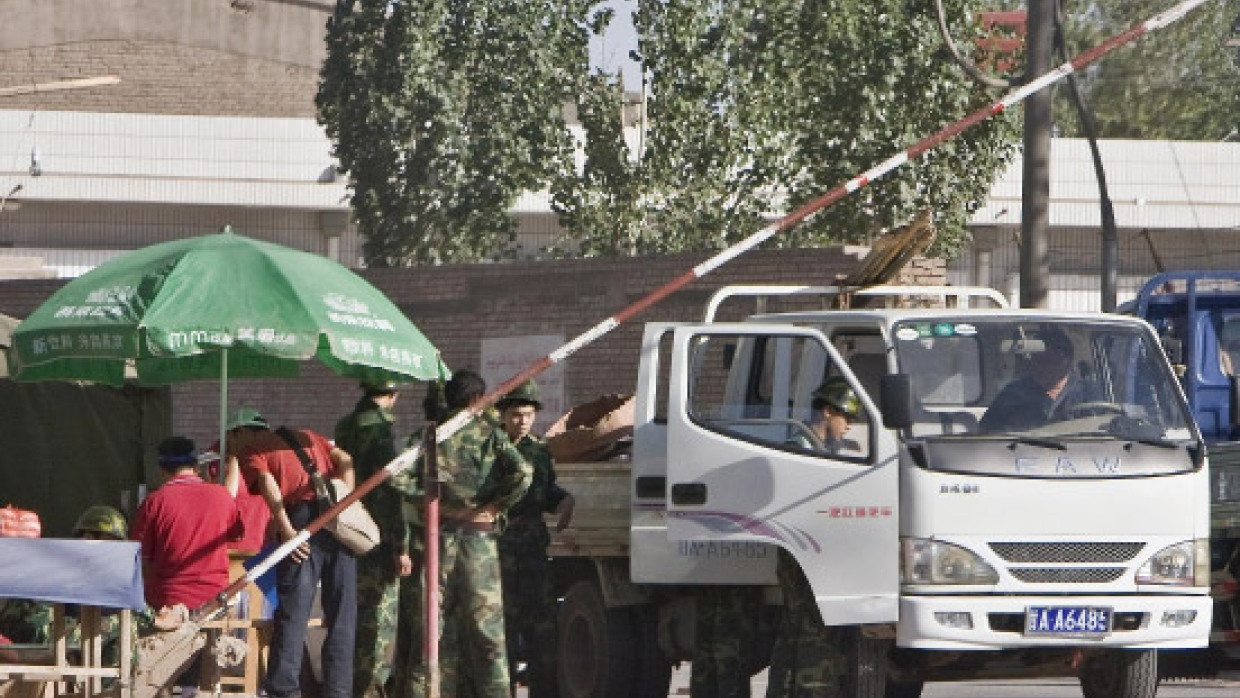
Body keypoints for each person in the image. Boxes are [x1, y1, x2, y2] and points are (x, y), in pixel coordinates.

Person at [399, 370, 532, 698]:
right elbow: (523, 473)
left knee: (431, 630)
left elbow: (395, 476)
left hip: (438, 536)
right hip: (479, 540)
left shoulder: (429, 435)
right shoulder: (489, 433)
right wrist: (495, 505)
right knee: (488, 632)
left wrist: (427, 499)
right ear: (478, 399)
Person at [226, 407, 357, 698]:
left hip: (301, 520)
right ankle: (339, 690)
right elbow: (345, 458)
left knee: (293, 612)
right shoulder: (307, 436)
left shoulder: (252, 448)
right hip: (336, 519)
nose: (230, 448)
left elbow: (268, 483)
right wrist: (347, 500)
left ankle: (284, 690)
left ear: (239, 432)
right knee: (342, 611)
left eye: (229, 439)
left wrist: (286, 530)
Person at [495, 380, 573, 698]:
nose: (523, 421)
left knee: (543, 628)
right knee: (504, 630)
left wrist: (564, 500)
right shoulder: (493, 449)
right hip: (500, 546)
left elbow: (546, 492)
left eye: (528, 414)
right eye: (516, 414)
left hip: (533, 550)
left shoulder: (539, 450)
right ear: (502, 415)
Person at [335, 380, 411, 698]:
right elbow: (391, 492)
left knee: (352, 614)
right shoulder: (380, 432)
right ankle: (371, 689)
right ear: (394, 395)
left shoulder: (346, 426)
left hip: (348, 531)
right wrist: (402, 544)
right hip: (377, 537)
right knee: (380, 621)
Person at [131, 436, 245, 612]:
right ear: (197, 467)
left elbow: (140, 559)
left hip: (166, 603)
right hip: (215, 601)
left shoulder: (153, 502)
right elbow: (236, 534)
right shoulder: (222, 496)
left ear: (161, 469)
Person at [979, 327, 1095, 433]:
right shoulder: (1013, 393)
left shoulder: (1090, 394)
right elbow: (986, 432)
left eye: (1048, 361)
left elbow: (1105, 428)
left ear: (1067, 362)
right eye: (1036, 360)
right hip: (1020, 452)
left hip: (1078, 453)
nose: (1040, 367)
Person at [802, 377, 861, 455]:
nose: (849, 426)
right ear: (828, 411)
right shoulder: (797, 449)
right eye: (847, 418)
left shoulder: (826, 446)